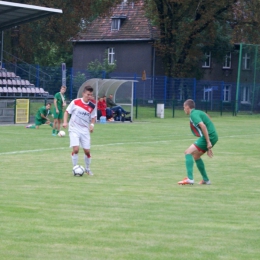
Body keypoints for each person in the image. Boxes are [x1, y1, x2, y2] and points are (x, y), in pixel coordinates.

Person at [178, 99, 218, 185]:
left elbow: (203, 126)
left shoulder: (193, 115)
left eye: (184, 107)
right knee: (196, 155)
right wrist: (208, 147)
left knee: (187, 152)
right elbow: (208, 118)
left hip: (210, 136)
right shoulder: (198, 112)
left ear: (187, 107)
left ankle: (190, 179)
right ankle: (206, 180)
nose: (183, 109)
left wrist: (208, 142)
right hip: (213, 136)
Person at [62, 86, 97, 176]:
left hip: (85, 130)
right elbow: (67, 112)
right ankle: (75, 167)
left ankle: (88, 169)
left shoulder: (92, 106)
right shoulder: (75, 102)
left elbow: (93, 116)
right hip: (74, 128)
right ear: (83, 93)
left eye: (91, 95)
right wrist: (65, 122)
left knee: (87, 152)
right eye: (88, 94)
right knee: (76, 149)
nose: (89, 96)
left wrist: (92, 125)